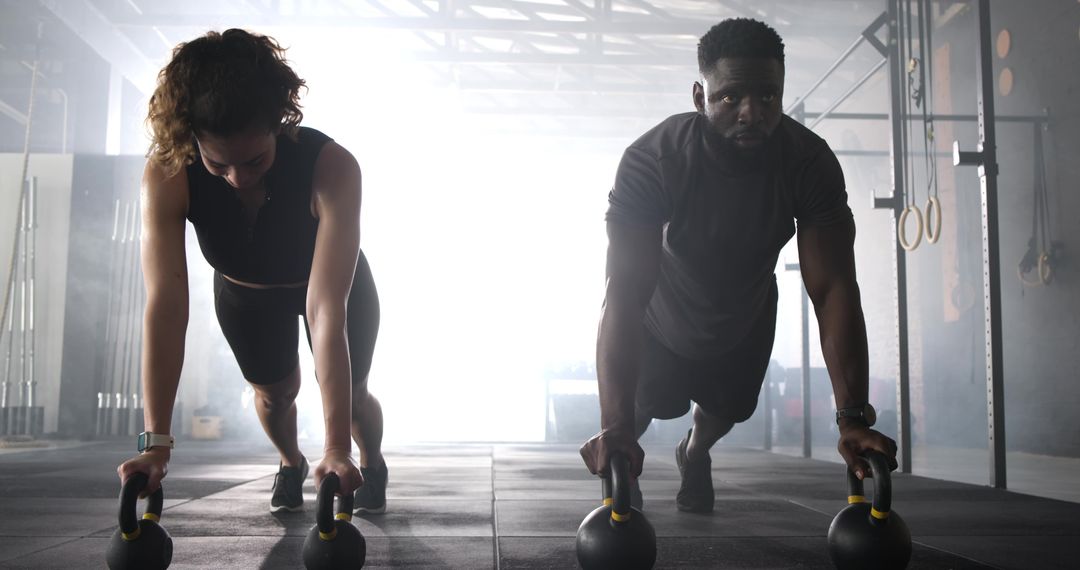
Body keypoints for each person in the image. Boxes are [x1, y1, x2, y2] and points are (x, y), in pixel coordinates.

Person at [579, 18, 898, 513]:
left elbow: (834, 287)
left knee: (727, 411)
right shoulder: (653, 159)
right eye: (730, 97)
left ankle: (694, 451)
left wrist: (851, 418)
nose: (751, 112)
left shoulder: (808, 162)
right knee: (647, 405)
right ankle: (627, 448)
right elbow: (623, 289)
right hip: (660, 319)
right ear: (699, 95)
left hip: (743, 316)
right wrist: (614, 426)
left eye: (768, 96)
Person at [116, 29, 388, 515]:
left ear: (280, 123)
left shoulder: (333, 168)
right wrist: (155, 443)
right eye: (218, 164)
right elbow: (166, 306)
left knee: (352, 395)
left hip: (331, 290)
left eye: (256, 159)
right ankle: (290, 461)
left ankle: (371, 458)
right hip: (245, 295)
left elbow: (326, 312)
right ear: (192, 138)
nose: (239, 177)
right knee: (274, 394)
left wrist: (338, 449)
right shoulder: (168, 171)